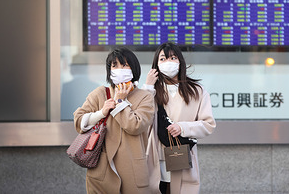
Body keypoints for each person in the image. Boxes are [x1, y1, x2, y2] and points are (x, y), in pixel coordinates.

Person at [73, 47, 155, 194]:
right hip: (101, 173)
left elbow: (136, 126)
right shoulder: (100, 93)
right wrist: (100, 113)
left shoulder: (145, 97)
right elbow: (79, 121)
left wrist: (120, 102)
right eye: (114, 65)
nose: (119, 69)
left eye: (125, 65)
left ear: (134, 69)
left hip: (132, 172)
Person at [143, 42, 216, 194]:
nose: (168, 63)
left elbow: (208, 125)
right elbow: (141, 120)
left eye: (173, 58)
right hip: (156, 156)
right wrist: (148, 87)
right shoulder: (151, 91)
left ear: (180, 62)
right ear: (156, 64)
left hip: (181, 156)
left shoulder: (196, 91)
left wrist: (183, 128)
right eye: (162, 59)